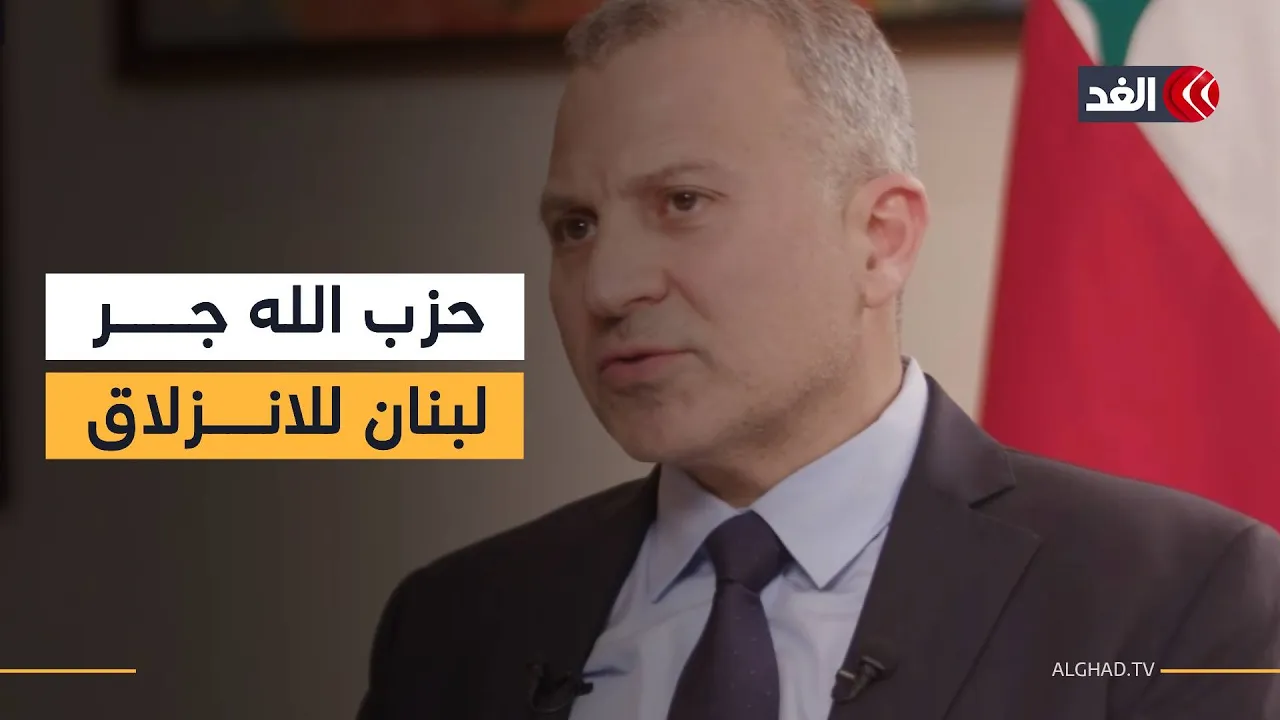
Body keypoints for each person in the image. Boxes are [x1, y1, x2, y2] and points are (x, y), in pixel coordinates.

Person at [356, 0, 1280, 717]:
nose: (608, 286)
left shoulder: (1180, 597)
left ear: (880, 238)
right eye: (575, 227)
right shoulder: (453, 625)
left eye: (683, 202)